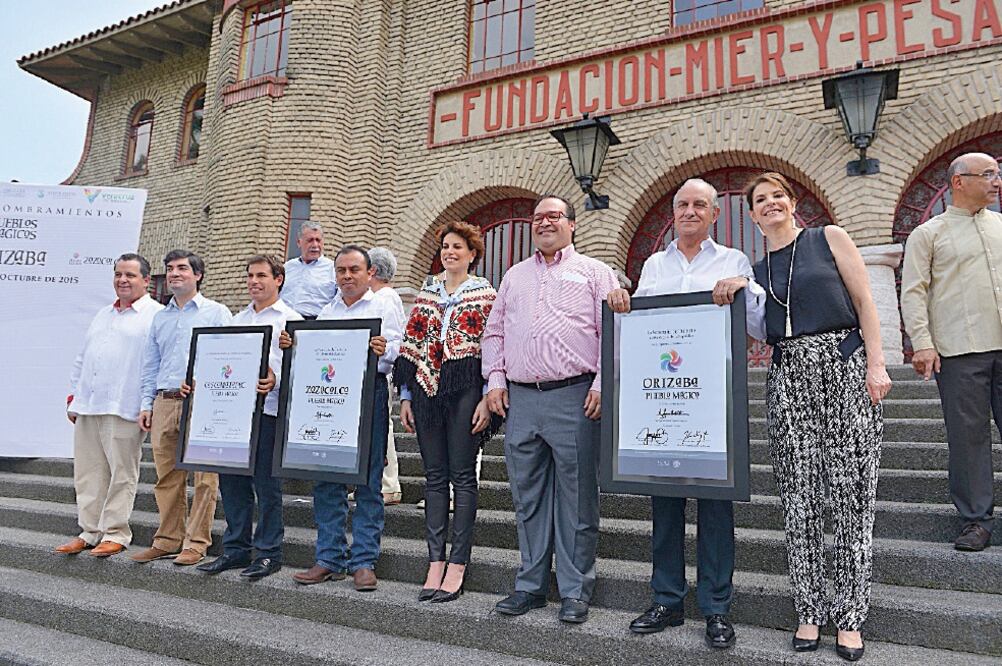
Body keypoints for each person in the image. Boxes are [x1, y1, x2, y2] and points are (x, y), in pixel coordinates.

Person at [605, 178, 766, 649]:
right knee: (665, 504)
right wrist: (622, 305)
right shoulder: (655, 265)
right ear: (673, 213)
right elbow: (639, 326)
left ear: (715, 214)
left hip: (712, 400)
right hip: (663, 400)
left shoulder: (733, 260)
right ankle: (667, 600)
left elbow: (758, 326)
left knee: (716, 507)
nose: (690, 211)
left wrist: (745, 288)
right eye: (682, 205)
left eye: (699, 205)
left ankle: (716, 609)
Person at [747, 172, 891, 661]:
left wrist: (875, 364)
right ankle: (809, 609)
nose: (771, 203)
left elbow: (865, 301)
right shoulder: (757, 270)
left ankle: (849, 616)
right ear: (752, 215)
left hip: (843, 366)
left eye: (778, 196)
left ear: (793, 203)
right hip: (788, 376)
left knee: (851, 496)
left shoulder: (828, 238)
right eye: (761, 200)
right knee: (799, 499)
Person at [482, 193, 618, 624]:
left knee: (577, 499)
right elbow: (494, 333)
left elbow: (613, 331)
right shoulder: (514, 276)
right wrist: (495, 379)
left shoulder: (595, 272)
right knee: (528, 497)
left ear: (572, 224)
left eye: (554, 216)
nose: (544, 223)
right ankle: (531, 585)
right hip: (521, 399)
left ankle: (575, 590)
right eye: (538, 217)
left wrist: (603, 383)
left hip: (574, 396)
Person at [280, 245, 402, 591]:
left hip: (368, 395)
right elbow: (315, 358)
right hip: (330, 400)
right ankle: (329, 558)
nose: (347, 276)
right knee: (326, 480)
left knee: (368, 482)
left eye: (354, 270)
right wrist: (294, 345)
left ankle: (363, 561)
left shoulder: (382, 305)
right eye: (341, 271)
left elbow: (398, 349)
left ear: (369, 273)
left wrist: (385, 350)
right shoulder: (327, 311)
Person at [901, 152, 1002, 553]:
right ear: (959, 182)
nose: (996, 181)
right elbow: (914, 291)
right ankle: (976, 520)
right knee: (968, 439)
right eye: (988, 174)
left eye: (997, 174)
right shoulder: (928, 233)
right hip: (960, 351)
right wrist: (922, 341)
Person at [395, 221, 499, 603]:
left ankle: (458, 562)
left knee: (463, 475)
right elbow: (412, 343)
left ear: (472, 254)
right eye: (445, 247)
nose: (449, 252)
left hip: (466, 389)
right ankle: (435, 560)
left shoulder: (486, 294)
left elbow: (493, 346)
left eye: (457, 247)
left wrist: (487, 397)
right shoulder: (427, 292)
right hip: (426, 389)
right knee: (434, 476)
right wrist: (406, 395)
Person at [194, 255, 302, 579]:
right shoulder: (236, 319)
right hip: (233, 415)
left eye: (261, 275)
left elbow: (302, 367)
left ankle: (269, 553)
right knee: (233, 485)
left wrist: (276, 379)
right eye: (250, 276)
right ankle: (236, 549)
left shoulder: (291, 319)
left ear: (278, 279)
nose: (254, 281)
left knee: (267, 488)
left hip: (269, 413)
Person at [55, 254, 164, 558]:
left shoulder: (156, 315)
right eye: (118, 274)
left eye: (130, 275)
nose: (122, 280)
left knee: (121, 473)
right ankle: (90, 531)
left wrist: (148, 403)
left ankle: (116, 532)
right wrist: (74, 397)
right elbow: (84, 357)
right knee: (88, 473)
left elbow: (155, 364)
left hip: (125, 405)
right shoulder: (103, 313)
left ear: (146, 280)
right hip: (90, 404)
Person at [133, 250, 232, 566]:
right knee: (166, 476)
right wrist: (147, 403)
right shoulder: (160, 318)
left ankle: (197, 542)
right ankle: (168, 539)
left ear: (198, 275)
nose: (174, 273)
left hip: (203, 403)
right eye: (170, 268)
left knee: (205, 478)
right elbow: (151, 364)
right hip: (165, 401)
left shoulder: (216, 313)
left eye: (182, 268)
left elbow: (230, 357)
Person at [369, 246, 405, 506]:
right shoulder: (374, 297)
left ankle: (389, 483)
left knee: (384, 427)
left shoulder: (386, 297)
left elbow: (393, 338)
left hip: (381, 371)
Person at [283, 221, 337, 319]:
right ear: (299, 242)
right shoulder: (286, 268)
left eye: (318, 240)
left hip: (317, 322)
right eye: (310, 240)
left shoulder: (333, 269)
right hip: (285, 322)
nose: (315, 245)